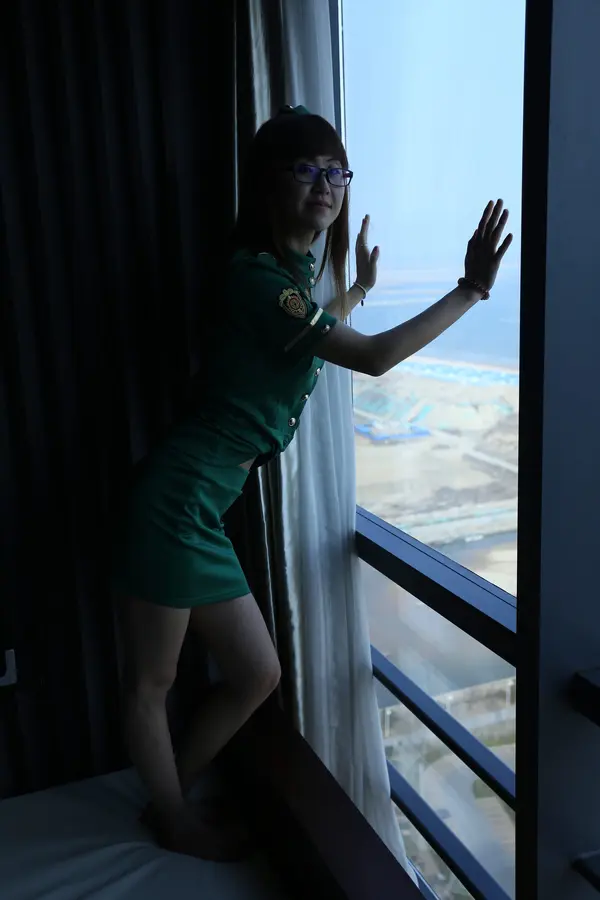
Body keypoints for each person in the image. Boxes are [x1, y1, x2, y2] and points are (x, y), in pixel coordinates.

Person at [110, 104, 512, 860]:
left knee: (257, 674)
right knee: (151, 682)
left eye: (337, 171)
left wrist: (354, 291)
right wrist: (471, 290)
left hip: (199, 510)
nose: (326, 184)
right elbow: (373, 357)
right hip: (175, 504)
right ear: (268, 184)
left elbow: (298, 335)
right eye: (306, 169)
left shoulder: (284, 280)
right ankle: (174, 820)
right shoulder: (261, 278)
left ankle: (171, 798)